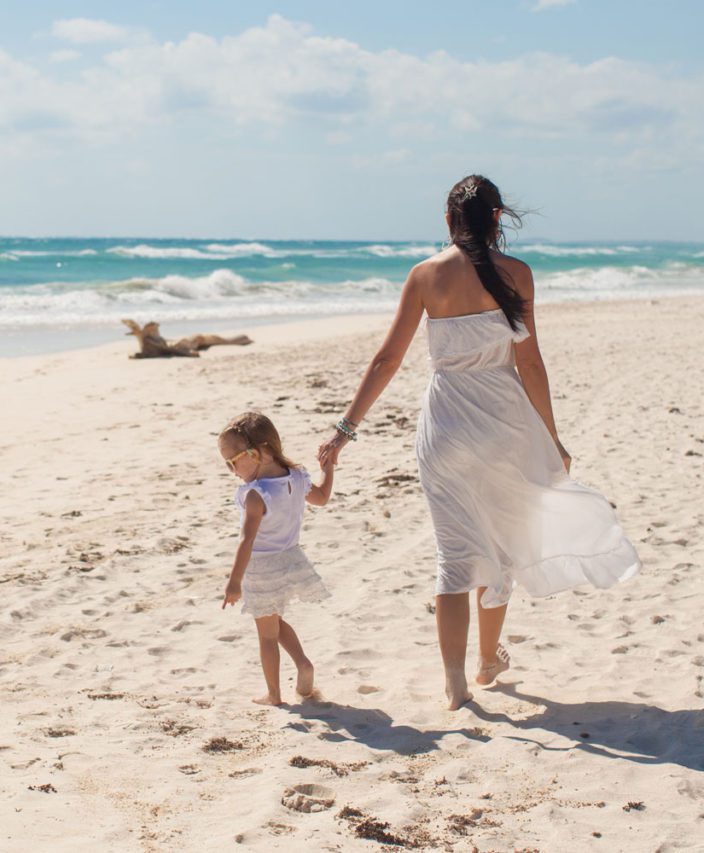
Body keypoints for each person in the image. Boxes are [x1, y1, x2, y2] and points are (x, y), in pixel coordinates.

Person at [318, 175, 641, 710]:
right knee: (500, 550)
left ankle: (455, 683)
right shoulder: (518, 274)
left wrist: (344, 430)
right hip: (505, 427)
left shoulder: (425, 275)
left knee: (455, 555)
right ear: (497, 220)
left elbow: (386, 360)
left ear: (447, 221)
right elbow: (530, 362)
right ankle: (488, 659)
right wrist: (552, 437)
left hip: (445, 427)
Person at [219, 411, 334, 706]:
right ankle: (303, 664)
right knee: (275, 621)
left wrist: (234, 582)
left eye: (233, 461)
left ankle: (274, 694)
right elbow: (321, 498)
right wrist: (328, 469)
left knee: (267, 635)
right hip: (290, 560)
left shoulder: (256, 494)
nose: (231, 470)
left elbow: (247, 541)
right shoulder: (296, 477)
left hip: (261, 568)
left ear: (259, 453)